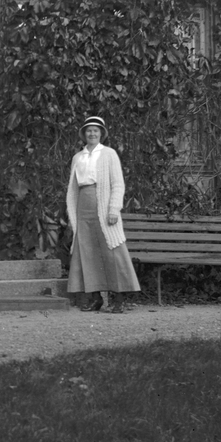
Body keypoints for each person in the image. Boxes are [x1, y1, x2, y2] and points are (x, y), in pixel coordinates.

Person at [66, 115, 141, 313]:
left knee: (112, 250)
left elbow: (117, 184)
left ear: (101, 134)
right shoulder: (78, 157)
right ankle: (95, 298)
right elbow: (73, 189)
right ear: (84, 134)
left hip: (104, 207)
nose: (92, 134)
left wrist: (114, 208)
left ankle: (119, 299)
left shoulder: (109, 154)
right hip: (83, 207)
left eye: (95, 131)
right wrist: (73, 215)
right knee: (87, 251)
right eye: (89, 131)